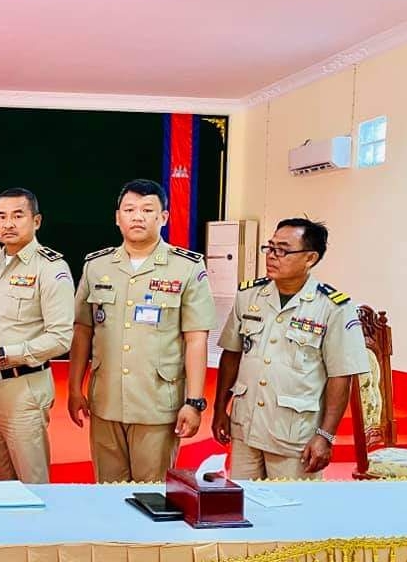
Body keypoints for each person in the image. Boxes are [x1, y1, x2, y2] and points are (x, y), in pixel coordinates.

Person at [68, 179, 215, 483]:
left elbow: (196, 339)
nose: (137, 217)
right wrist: (73, 388)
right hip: (105, 401)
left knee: (153, 494)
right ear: (117, 217)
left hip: (156, 404)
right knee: (107, 491)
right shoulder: (97, 266)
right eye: (129, 209)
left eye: (148, 210)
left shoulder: (186, 268)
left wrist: (194, 401)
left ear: (163, 217)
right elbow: (82, 331)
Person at [213, 218, 369, 479]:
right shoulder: (249, 296)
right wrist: (220, 409)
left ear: (310, 258)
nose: (272, 256)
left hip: (294, 435)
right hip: (246, 426)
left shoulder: (333, 307)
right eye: (270, 248)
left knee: (291, 503)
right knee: (243, 499)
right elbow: (232, 354)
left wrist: (325, 436)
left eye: (282, 250)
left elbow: (340, 376)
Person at [0, 188, 74, 483]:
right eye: (1, 216)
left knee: (32, 484)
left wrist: (2, 354)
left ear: (36, 221)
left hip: (24, 389)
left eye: (17, 215)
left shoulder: (51, 268)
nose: (8, 223)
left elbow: (61, 338)